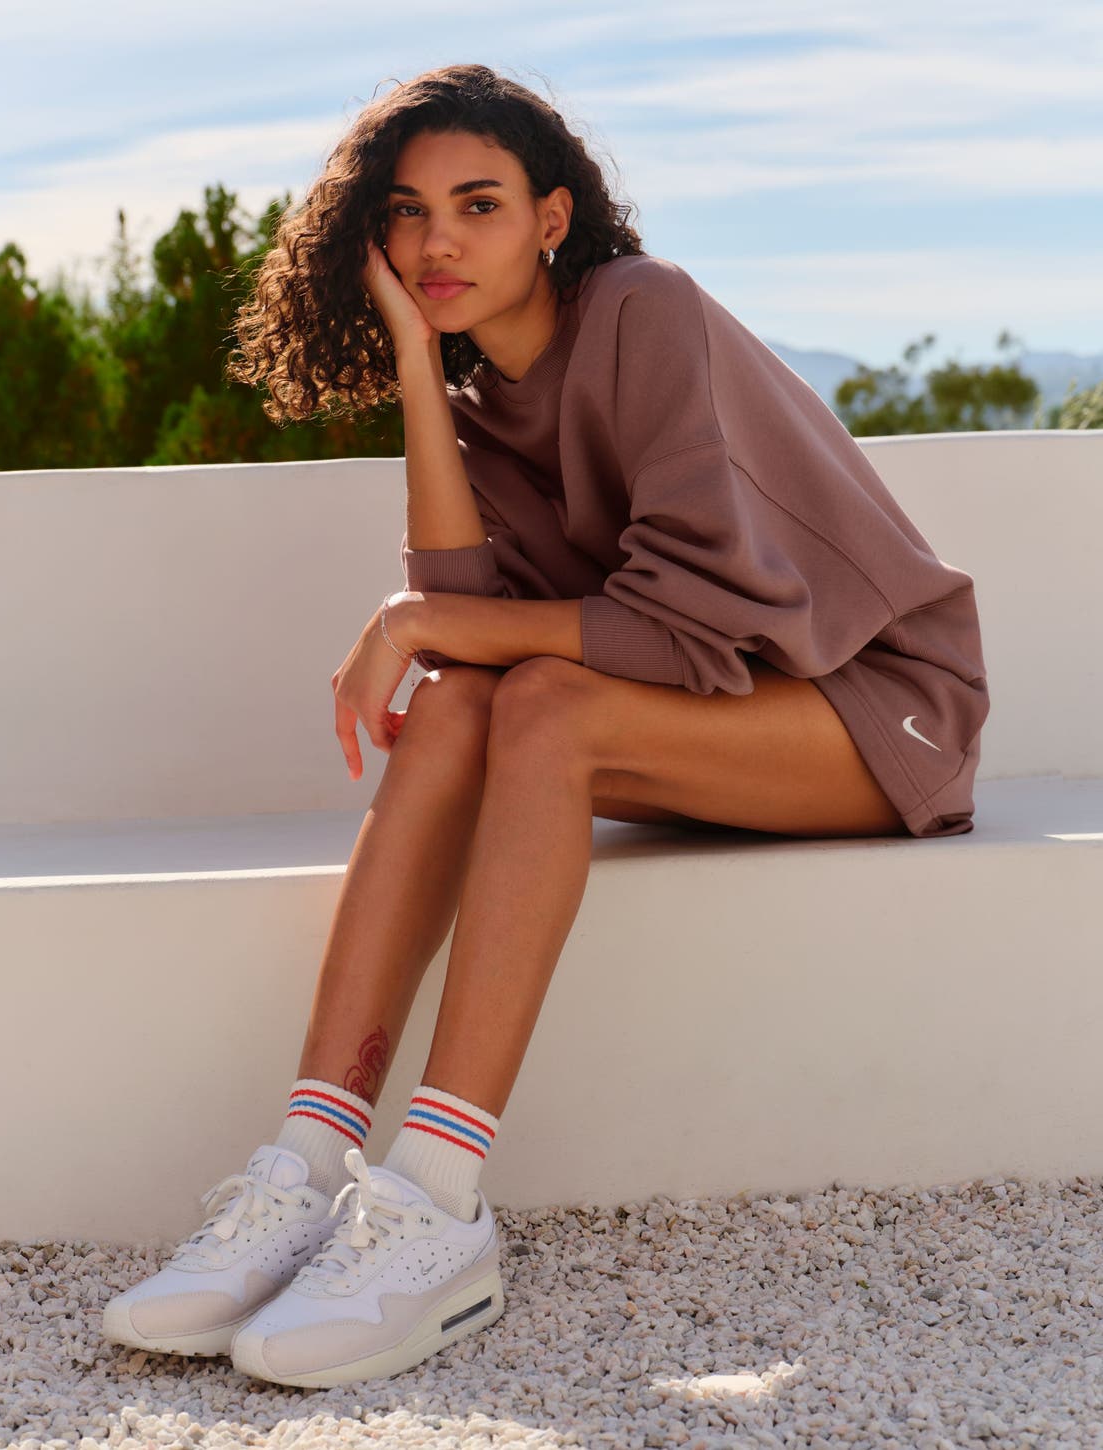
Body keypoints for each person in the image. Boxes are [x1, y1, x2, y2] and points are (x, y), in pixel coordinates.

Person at [102, 62, 990, 1389]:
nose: (439, 240)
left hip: (878, 707)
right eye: (407, 215)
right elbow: (463, 618)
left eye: (479, 204)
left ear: (554, 219)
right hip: (723, 714)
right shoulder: (478, 401)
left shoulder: (646, 311)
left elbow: (677, 629)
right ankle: (306, 1159)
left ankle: (439, 1203)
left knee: (543, 699)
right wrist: (417, 366)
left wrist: (417, 626)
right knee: (471, 696)